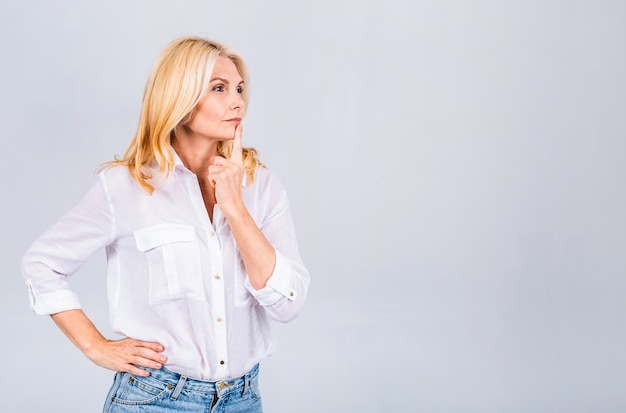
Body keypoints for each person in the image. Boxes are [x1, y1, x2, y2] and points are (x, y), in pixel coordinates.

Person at [21, 36, 310, 412]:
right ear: (180, 98)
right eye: (219, 89)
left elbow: (288, 305)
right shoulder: (126, 187)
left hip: (242, 399)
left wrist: (236, 209)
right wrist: (95, 346)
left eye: (239, 88)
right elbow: (41, 264)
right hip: (155, 399)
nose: (238, 100)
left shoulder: (262, 187)